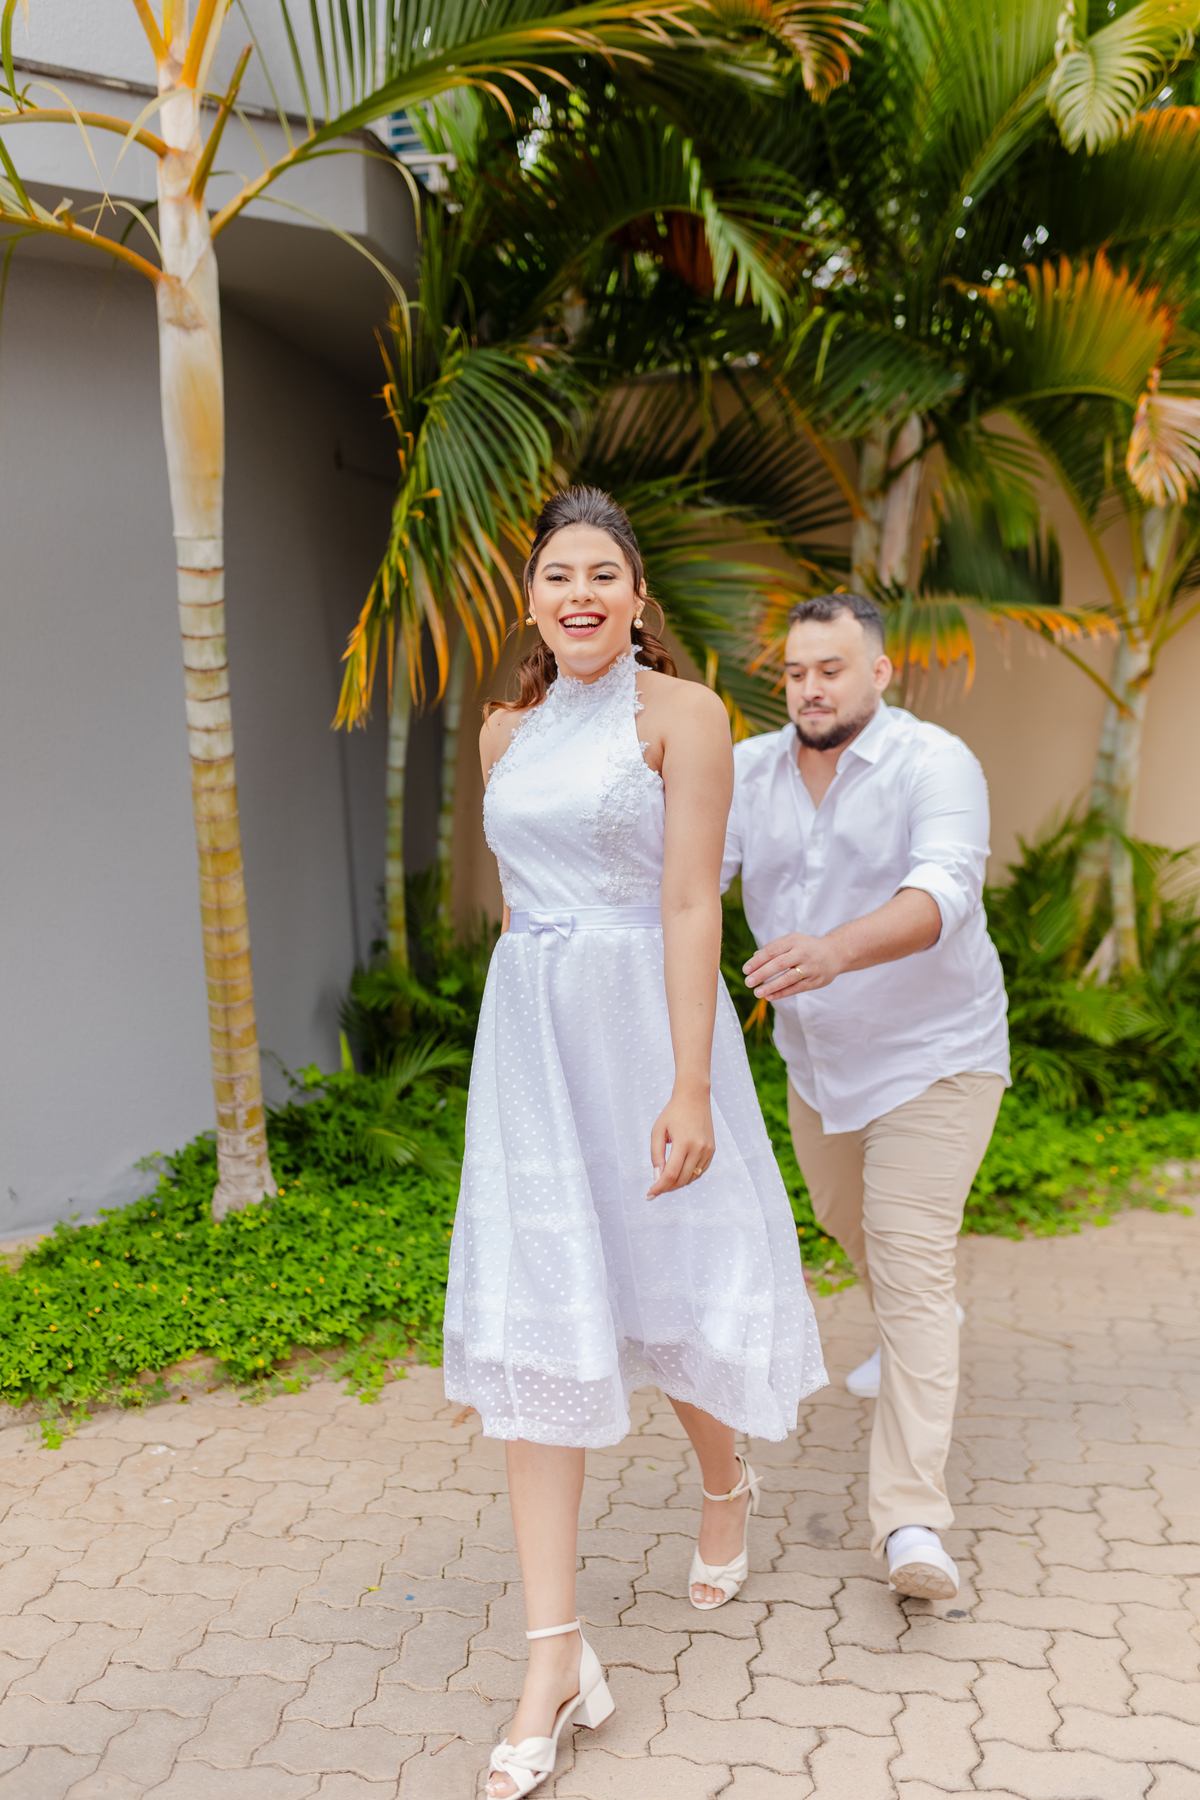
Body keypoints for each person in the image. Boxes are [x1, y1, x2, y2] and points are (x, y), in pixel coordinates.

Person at [443, 488, 826, 1799]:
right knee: (541, 1325)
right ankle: (554, 1658)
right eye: (560, 574)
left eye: (603, 573)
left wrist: (690, 1085)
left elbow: (686, 902)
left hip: (650, 1029)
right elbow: (517, 907)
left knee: (671, 1287)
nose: (581, 594)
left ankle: (725, 1483)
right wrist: (524, 1049)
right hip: (535, 1041)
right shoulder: (502, 732)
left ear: (637, 594)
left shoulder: (686, 715)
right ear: (533, 597)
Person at [721, 592, 1009, 1604]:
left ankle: (911, 1522)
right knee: (852, 1223)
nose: (810, 688)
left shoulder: (937, 763)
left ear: (879, 674)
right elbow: (683, 881)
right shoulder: (748, 772)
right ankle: (911, 1328)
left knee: (908, 1255)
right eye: (796, 672)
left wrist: (835, 951)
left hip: (938, 1054)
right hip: (820, 1061)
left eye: (831, 670)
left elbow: (946, 894)